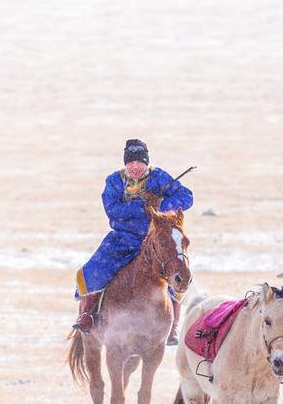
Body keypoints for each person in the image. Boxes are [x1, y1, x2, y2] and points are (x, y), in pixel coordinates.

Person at [73, 139, 193, 334]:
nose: (136, 167)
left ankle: (173, 326)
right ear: (125, 163)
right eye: (131, 163)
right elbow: (112, 210)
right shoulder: (114, 181)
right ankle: (87, 314)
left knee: (179, 270)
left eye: (140, 162)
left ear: (146, 162)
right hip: (123, 238)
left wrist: (160, 205)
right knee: (93, 269)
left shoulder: (159, 177)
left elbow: (187, 197)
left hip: (155, 239)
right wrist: (142, 206)